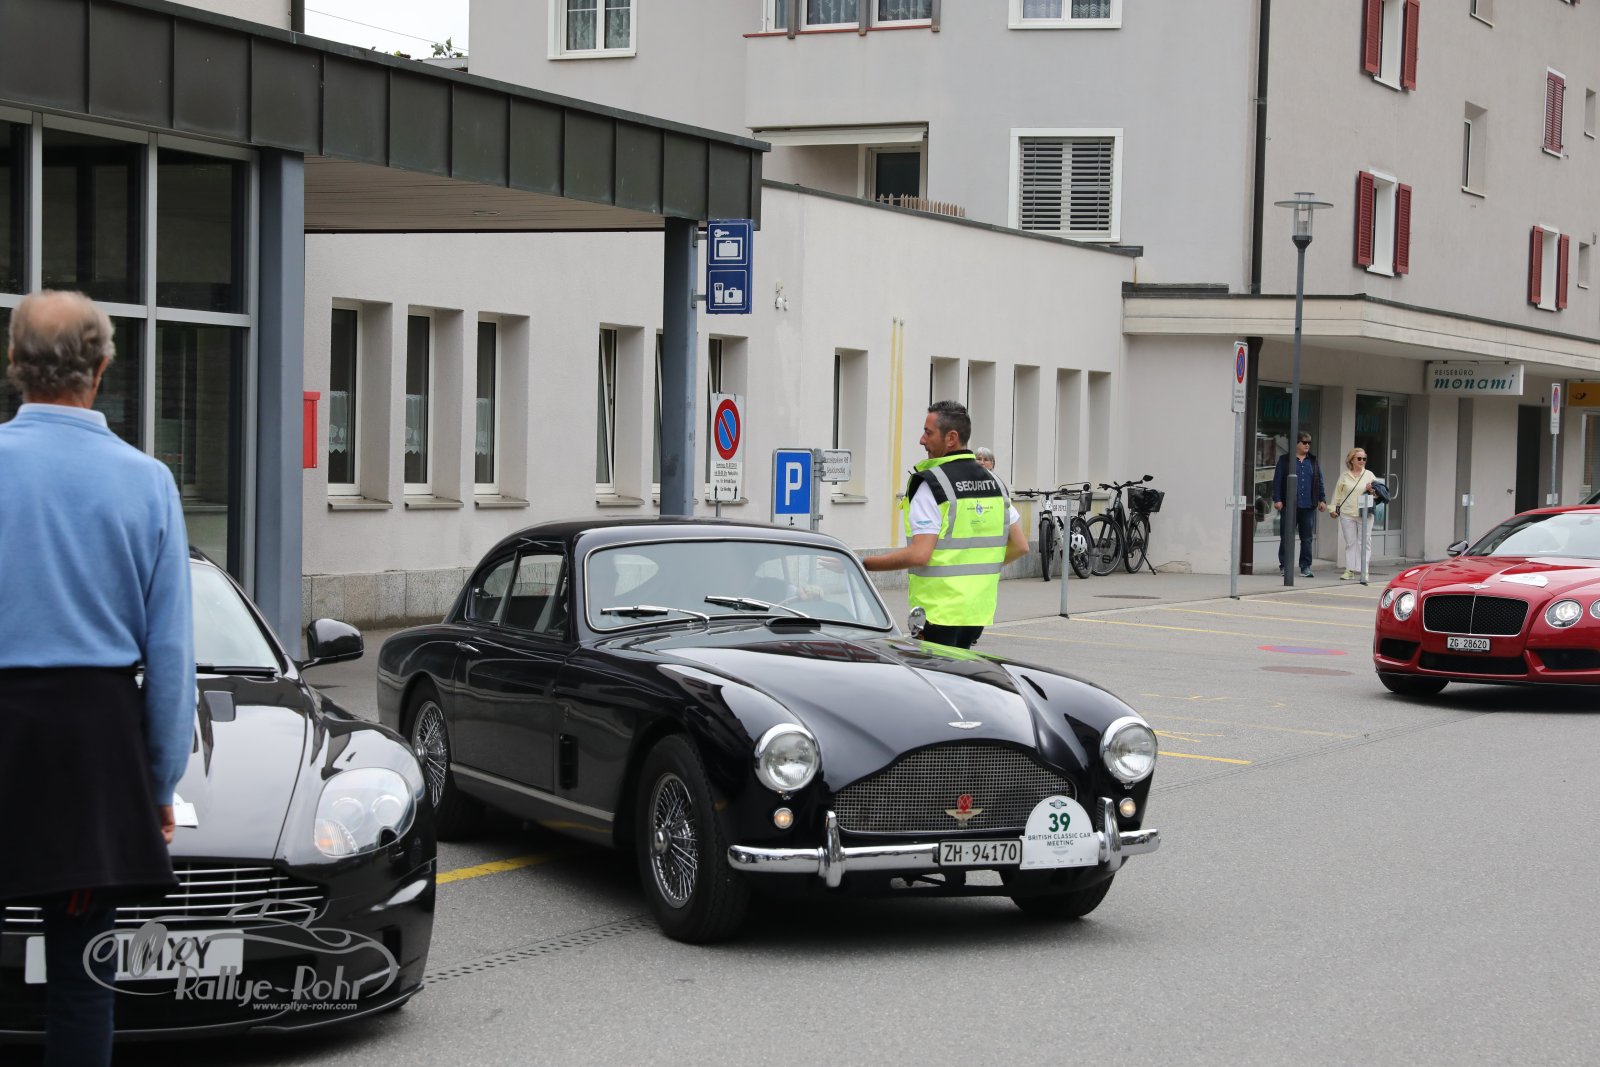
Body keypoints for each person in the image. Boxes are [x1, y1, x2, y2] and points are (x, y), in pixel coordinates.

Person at [0, 290, 194, 1066]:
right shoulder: (147, 481)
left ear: (13, 364)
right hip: (91, 746)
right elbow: (171, 652)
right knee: (83, 980)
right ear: (104, 367)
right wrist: (159, 780)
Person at [863, 401, 1028, 648]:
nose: (921, 440)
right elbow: (1020, 546)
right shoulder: (995, 483)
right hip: (976, 612)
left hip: (938, 613)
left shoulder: (932, 484)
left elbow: (920, 554)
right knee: (963, 670)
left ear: (951, 438)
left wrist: (863, 564)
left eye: (928, 433)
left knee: (934, 672)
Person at [1271, 430, 1327, 578]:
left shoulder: (1313, 461)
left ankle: (1305, 567)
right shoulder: (1285, 460)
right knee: (1286, 537)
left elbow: (1319, 481)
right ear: (1296, 444)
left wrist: (1322, 499)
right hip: (1289, 506)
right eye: (1304, 442)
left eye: (1309, 443)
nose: (1307, 445)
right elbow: (1277, 481)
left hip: (1308, 506)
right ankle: (1285, 566)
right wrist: (1277, 499)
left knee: (1307, 538)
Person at [1330, 446, 1377, 581]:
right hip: (1347, 513)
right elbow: (1338, 494)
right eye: (1359, 458)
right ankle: (1349, 570)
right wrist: (1333, 509)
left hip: (1365, 514)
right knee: (1351, 542)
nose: (1362, 461)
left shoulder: (1369, 475)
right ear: (1352, 460)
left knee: (1365, 542)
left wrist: (1371, 490)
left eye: (1364, 459)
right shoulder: (1344, 476)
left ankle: (1364, 570)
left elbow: (1378, 495)